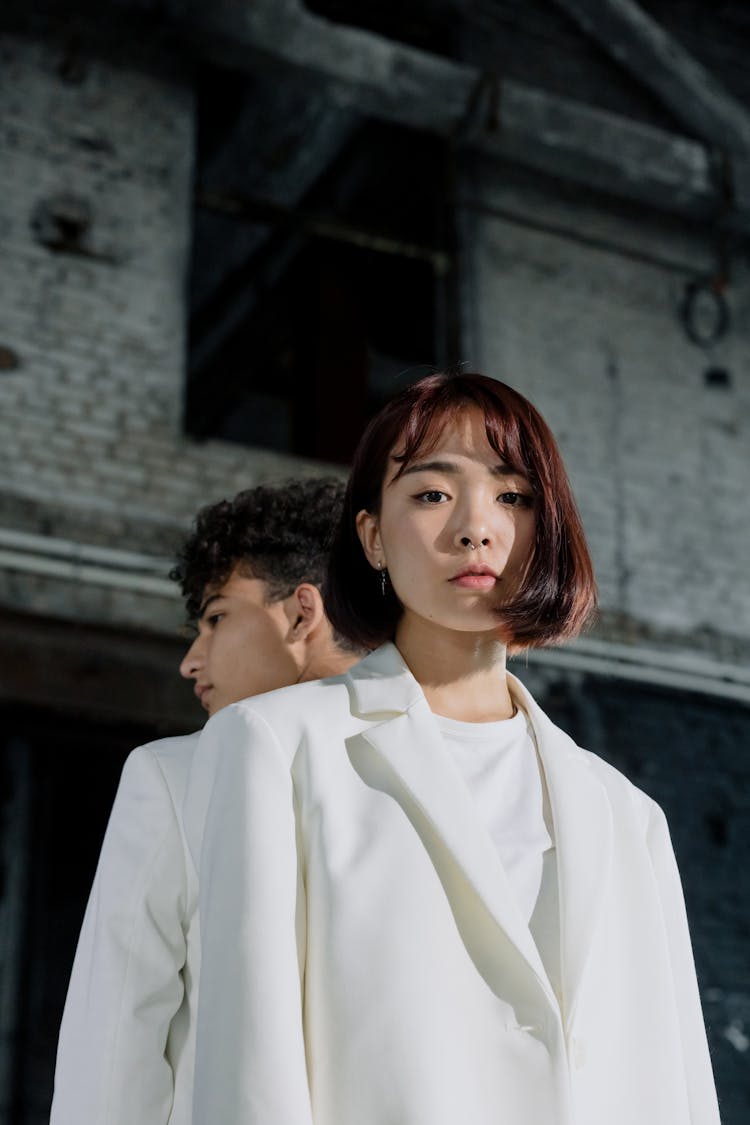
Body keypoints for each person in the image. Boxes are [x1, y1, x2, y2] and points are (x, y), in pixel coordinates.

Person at [187, 373, 720, 1125]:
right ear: (372, 535)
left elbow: (676, 1081)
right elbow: (245, 1062)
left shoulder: (626, 813)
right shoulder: (278, 746)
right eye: (433, 494)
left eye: (514, 497)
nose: (478, 527)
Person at [50, 478, 361, 1125]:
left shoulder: (177, 775)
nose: (192, 661)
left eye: (217, 618)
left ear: (303, 614)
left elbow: (113, 1044)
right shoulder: (173, 779)